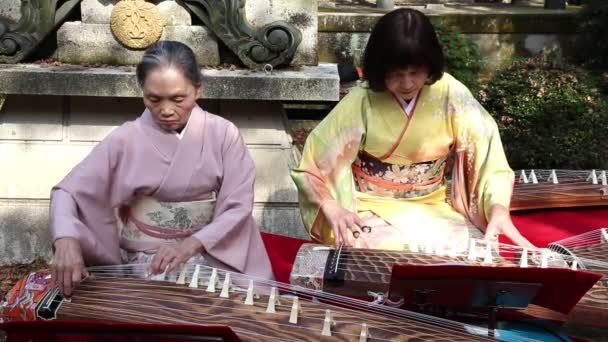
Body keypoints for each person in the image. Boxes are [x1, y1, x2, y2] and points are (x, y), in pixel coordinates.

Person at [291, 9, 536, 252]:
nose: (407, 84)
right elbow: (313, 167)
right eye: (396, 74)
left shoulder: (451, 94)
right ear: (380, 69)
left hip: (434, 207)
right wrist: (332, 207)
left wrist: (498, 209)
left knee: (472, 250)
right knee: (373, 248)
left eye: (415, 72)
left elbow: (487, 159)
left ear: (430, 66)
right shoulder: (361, 101)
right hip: (371, 208)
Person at [50, 41, 274, 296]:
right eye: (153, 99)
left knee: (249, 309)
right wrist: (65, 238)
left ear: (198, 89)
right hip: (149, 254)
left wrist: (191, 245)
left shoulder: (224, 134)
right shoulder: (126, 138)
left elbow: (238, 205)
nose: (166, 110)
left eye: (178, 99)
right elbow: (67, 191)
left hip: (214, 247)